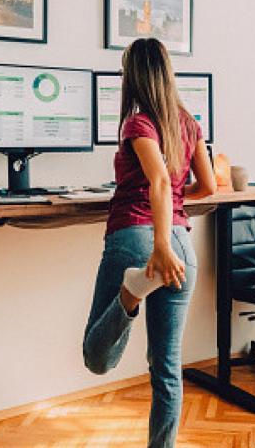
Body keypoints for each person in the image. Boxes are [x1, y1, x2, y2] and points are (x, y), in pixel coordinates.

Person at [82, 38, 217, 447]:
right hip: (182, 244)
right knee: (167, 367)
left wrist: (159, 244)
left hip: (139, 237)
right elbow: (207, 186)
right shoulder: (189, 123)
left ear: (132, 77)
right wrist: (177, 203)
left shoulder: (137, 123)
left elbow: (158, 179)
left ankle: (130, 292)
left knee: (96, 358)